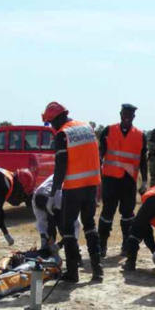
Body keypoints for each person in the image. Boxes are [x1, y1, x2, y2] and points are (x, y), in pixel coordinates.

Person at [43, 101, 102, 283]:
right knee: (90, 226)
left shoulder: (63, 135)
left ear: (57, 118)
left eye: (51, 123)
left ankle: (73, 273)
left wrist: (53, 194)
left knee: (68, 229)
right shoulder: (87, 128)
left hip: (74, 188)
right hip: (91, 185)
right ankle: (97, 270)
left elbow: (61, 167)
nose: (51, 127)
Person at [97, 103, 147, 257]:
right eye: (124, 114)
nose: (126, 117)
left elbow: (143, 160)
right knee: (107, 213)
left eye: (130, 115)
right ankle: (102, 245)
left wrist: (144, 181)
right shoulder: (108, 130)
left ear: (133, 117)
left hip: (128, 182)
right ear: (120, 114)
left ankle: (126, 244)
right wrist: (97, 177)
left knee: (127, 215)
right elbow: (99, 156)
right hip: (110, 180)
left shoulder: (140, 135)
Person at [31, 173, 81, 259]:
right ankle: (48, 251)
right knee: (50, 226)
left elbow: (76, 226)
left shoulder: (61, 198)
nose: (46, 212)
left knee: (66, 229)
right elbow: (42, 222)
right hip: (51, 200)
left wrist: (60, 245)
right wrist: (45, 238)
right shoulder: (36, 201)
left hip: (63, 198)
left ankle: (76, 255)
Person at [122, 184, 155, 271]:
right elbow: (148, 231)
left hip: (154, 200)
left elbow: (145, 230)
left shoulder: (149, 196)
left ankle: (130, 262)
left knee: (135, 230)